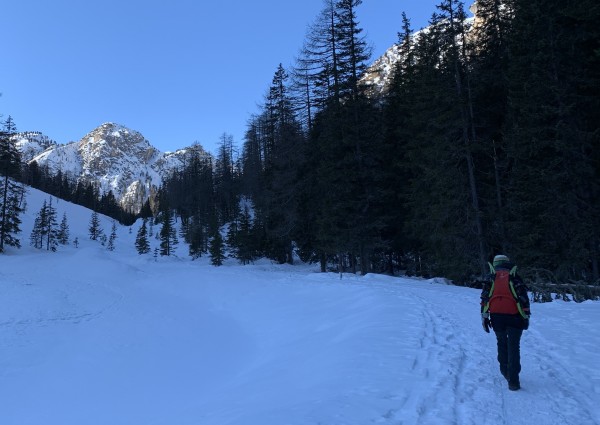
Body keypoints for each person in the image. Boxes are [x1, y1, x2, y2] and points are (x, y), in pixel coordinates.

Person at [480, 254, 531, 391]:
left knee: (501, 342)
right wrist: (526, 316)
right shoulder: (514, 277)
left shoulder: (491, 278)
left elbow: (485, 298)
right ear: (507, 263)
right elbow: (523, 298)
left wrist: (484, 317)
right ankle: (514, 381)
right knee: (514, 346)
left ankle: (505, 370)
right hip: (515, 316)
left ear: (495, 264)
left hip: (496, 317)